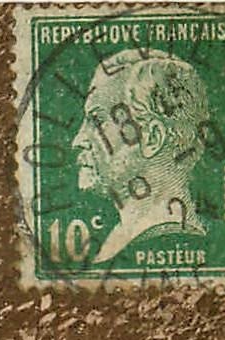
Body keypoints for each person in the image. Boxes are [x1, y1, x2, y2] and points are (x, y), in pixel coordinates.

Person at [70, 51, 213, 263]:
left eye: (98, 120)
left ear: (152, 138)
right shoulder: (121, 240)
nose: (78, 140)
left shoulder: (167, 239)